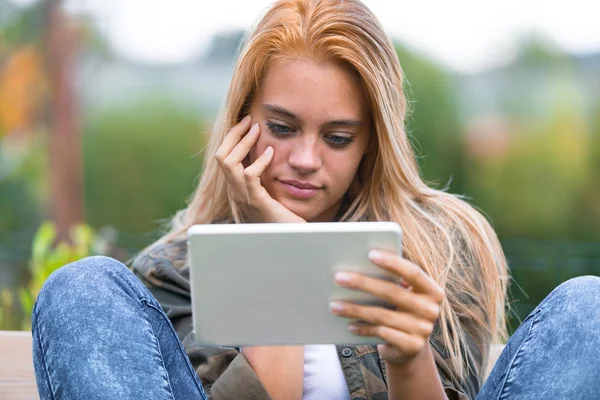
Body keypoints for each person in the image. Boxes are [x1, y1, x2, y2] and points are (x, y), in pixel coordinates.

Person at [31, 0, 600, 399]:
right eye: (281, 128)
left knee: (588, 306)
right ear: (240, 123)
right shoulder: (175, 272)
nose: (306, 159)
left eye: (336, 138)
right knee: (81, 288)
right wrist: (284, 245)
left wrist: (408, 356)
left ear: (372, 143)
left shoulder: (442, 246)